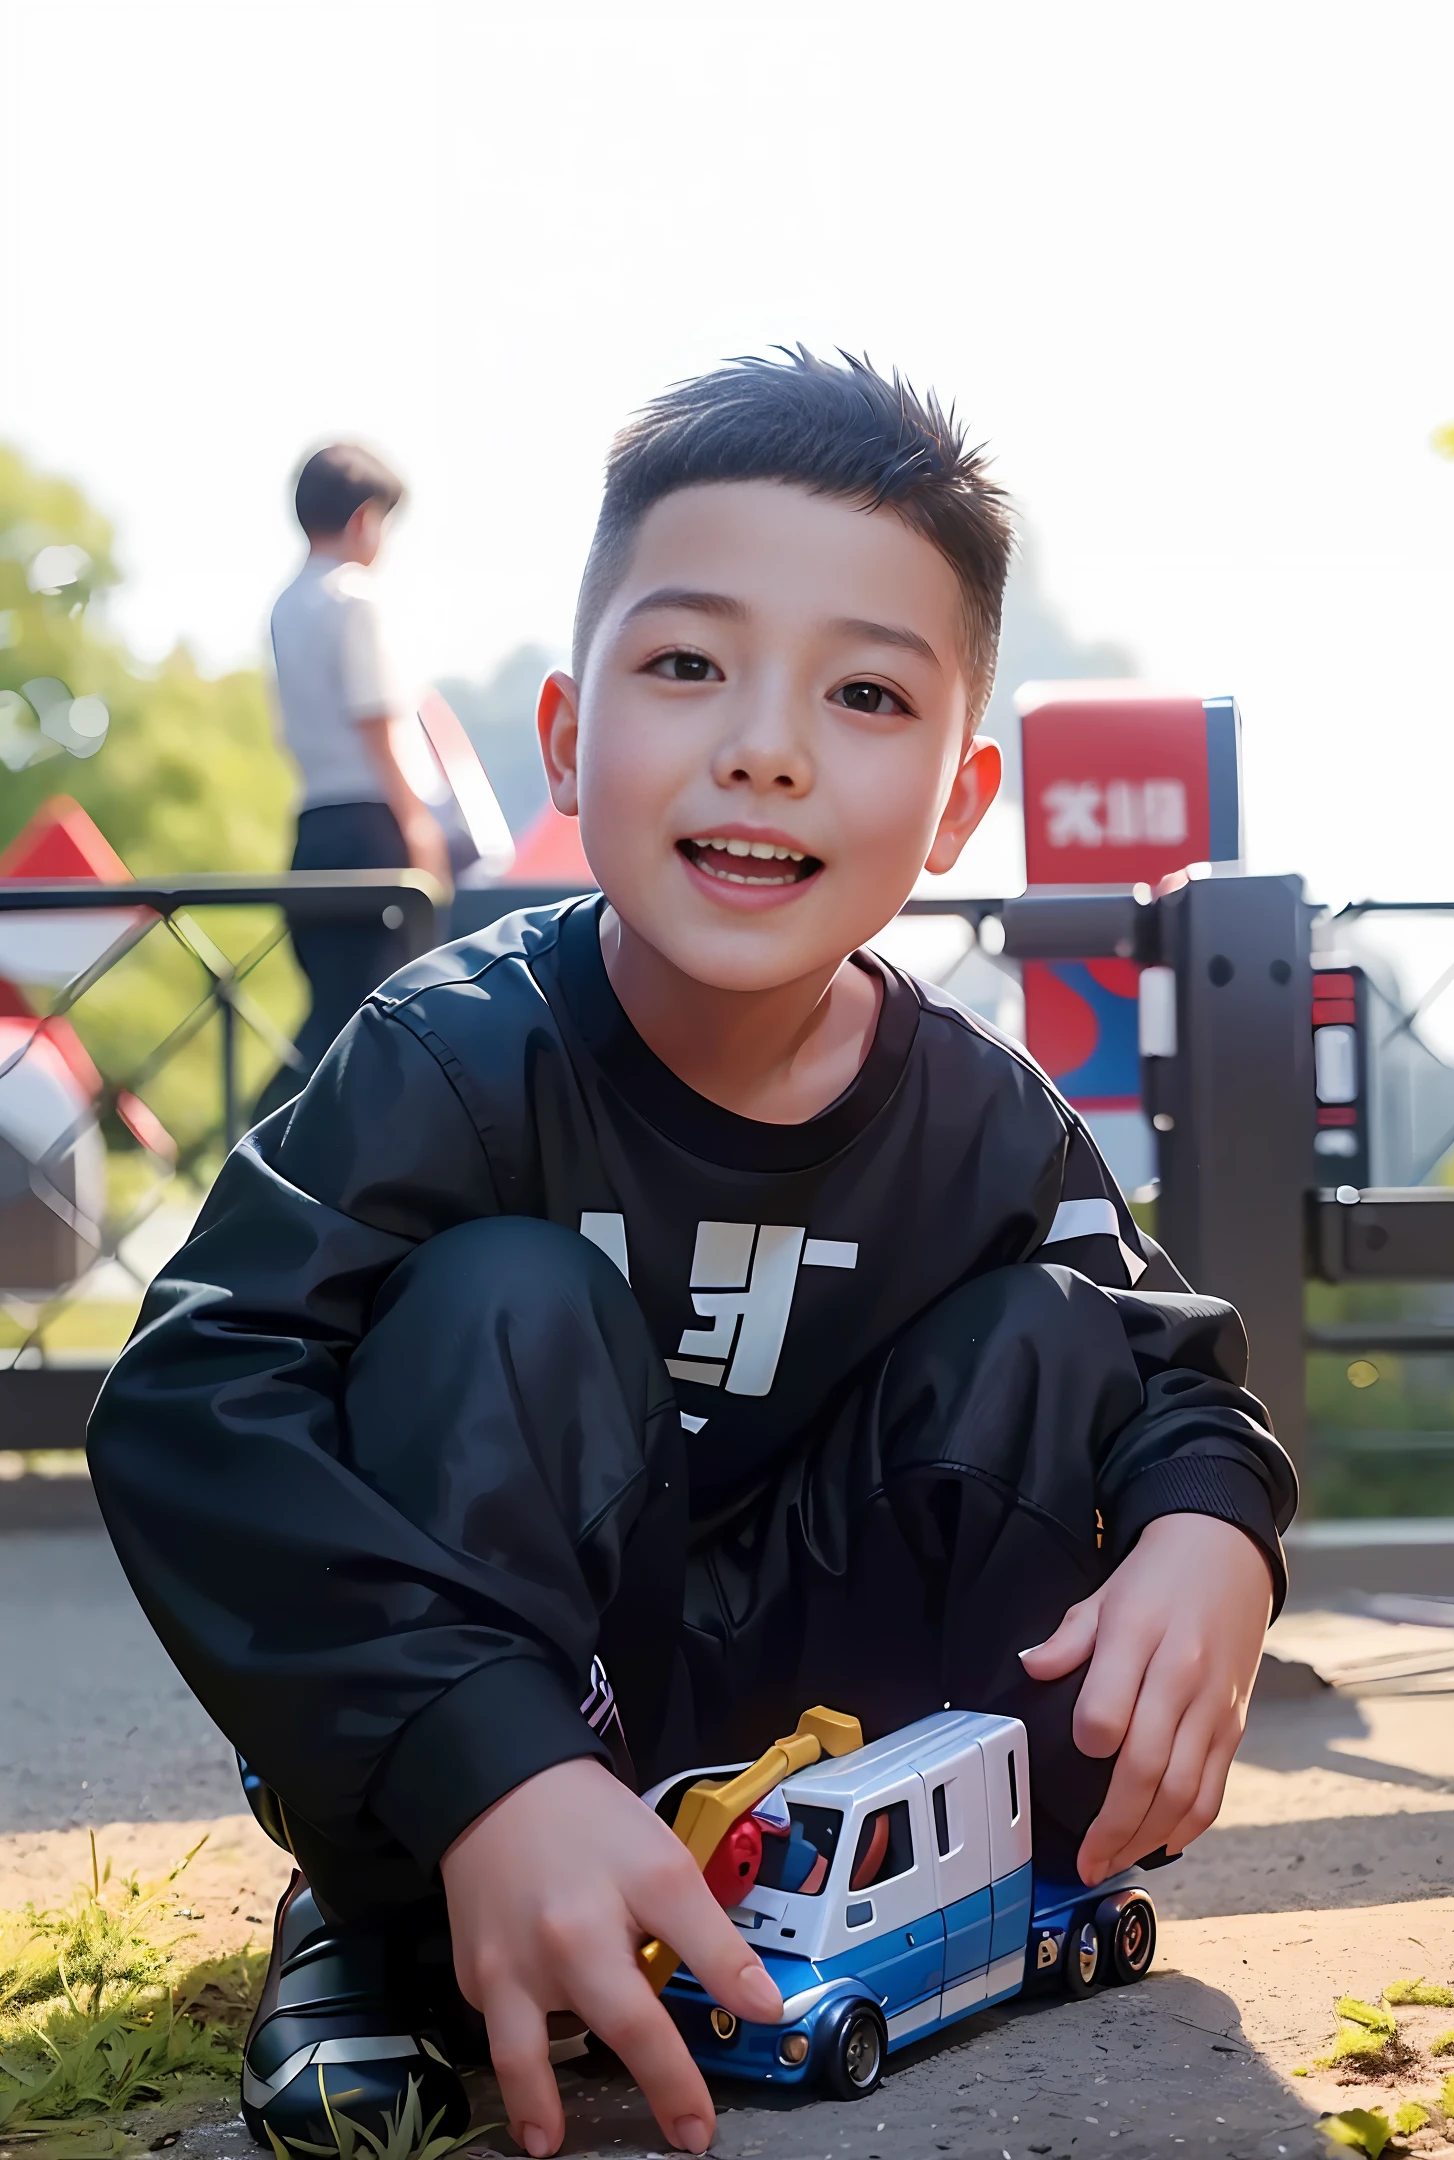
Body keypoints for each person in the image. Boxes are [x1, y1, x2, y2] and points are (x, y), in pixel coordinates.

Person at [88, 354, 1296, 2158]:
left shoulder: (977, 1116)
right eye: (686, 665)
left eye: (864, 692)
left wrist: (1218, 1536)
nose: (767, 742)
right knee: (504, 1301)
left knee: (1049, 1338)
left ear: (959, 804)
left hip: (809, 1722)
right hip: (487, 1694)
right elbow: (192, 1399)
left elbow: (1161, 1354)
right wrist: (476, 1760)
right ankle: (387, 1924)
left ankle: (887, 1909)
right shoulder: (450, 1056)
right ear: (570, 732)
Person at [257, 442, 451, 1116]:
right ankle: (275, 1135)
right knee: (384, 1008)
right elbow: (379, 722)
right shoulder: (357, 600)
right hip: (374, 825)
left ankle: (263, 1138)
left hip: (314, 825)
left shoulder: (285, 604)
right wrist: (419, 826)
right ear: (367, 519)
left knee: (330, 1008)